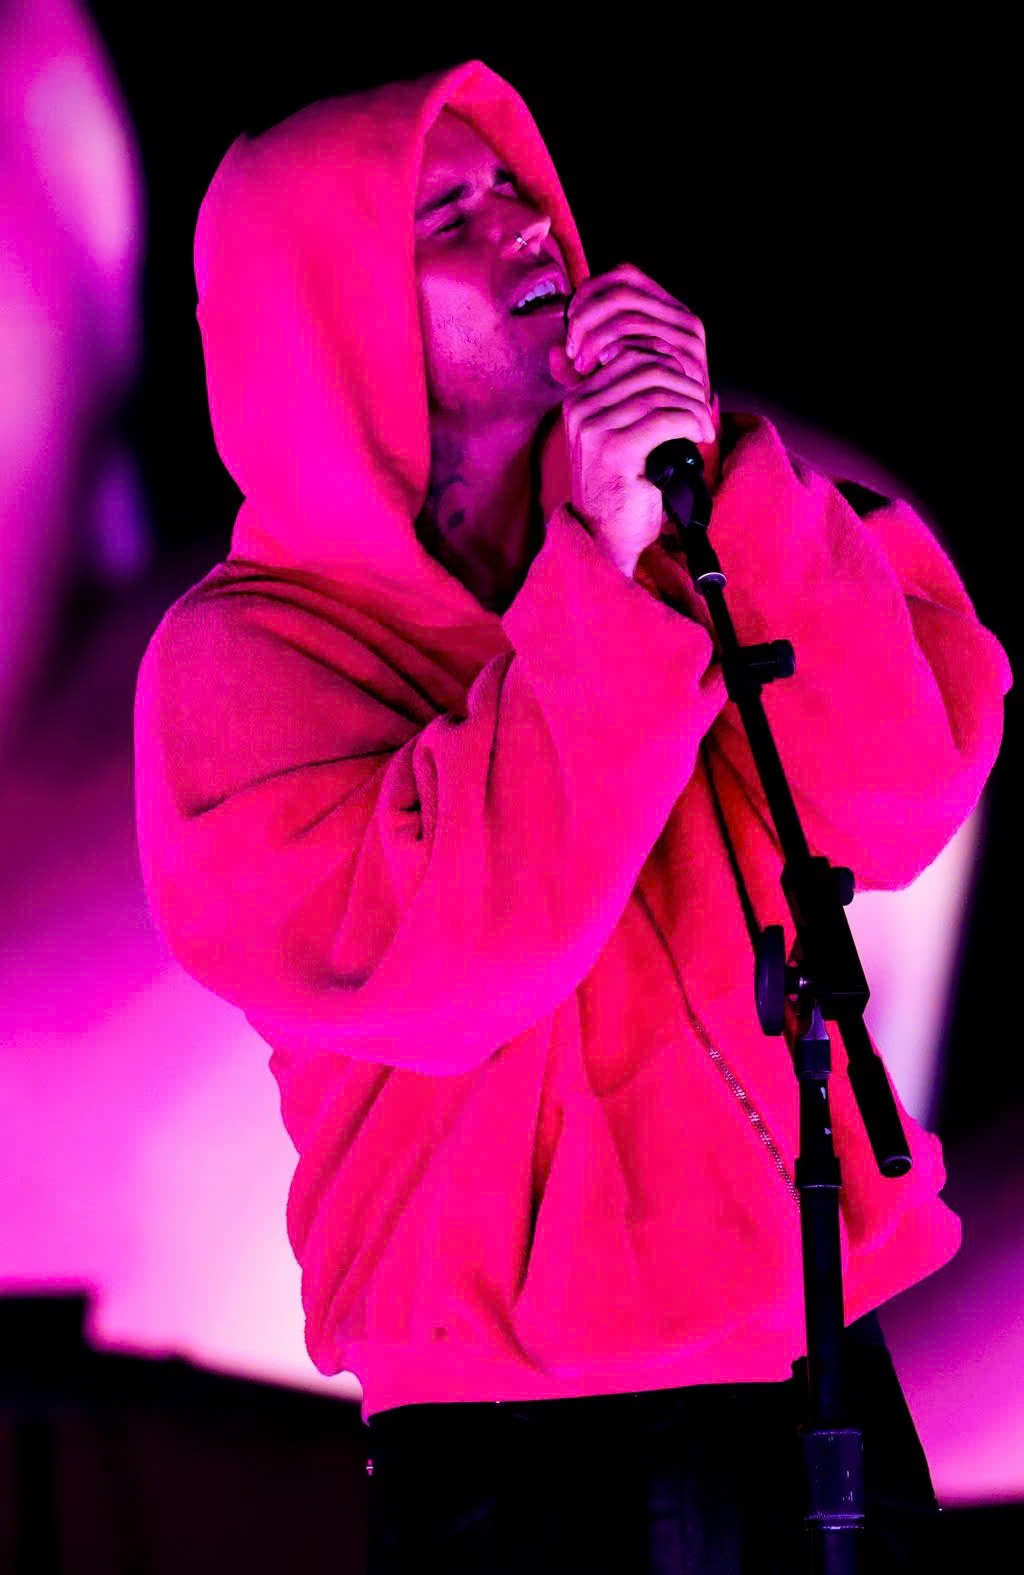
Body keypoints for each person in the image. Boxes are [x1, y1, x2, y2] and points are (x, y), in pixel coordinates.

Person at [133, 58, 1012, 1573]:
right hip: (513, 1445)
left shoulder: (691, 520)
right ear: (331, 313)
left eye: (519, 190)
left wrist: (719, 482)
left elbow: (899, 797)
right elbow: (464, 959)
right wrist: (600, 573)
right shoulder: (246, 664)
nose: (530, 228)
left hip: (812, 1362)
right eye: (449, 218)